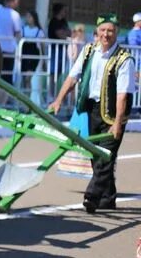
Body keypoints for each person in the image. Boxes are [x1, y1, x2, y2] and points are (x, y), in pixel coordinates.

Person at [47, 14, 135, 214]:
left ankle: (92, 196)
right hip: (93, 110)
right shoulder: (88, 51)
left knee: (106, 155)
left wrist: (118, 123)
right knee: (96, 155)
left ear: (117, 33)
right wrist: (59, 99)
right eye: (103, 30)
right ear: (96, 32)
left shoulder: (124, 59)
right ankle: (108, 198)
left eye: (110, 31)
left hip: (114, 114)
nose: (106, 35)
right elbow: (72, 77)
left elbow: (122, 95)